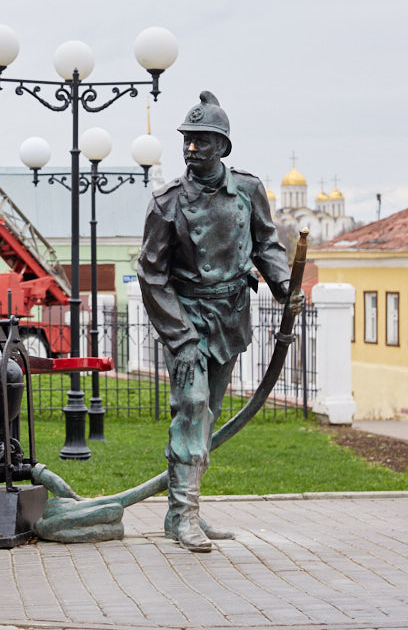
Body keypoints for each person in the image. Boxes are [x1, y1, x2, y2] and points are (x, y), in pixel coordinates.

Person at [137, 90, 300, 552]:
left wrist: (282, 285)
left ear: (223, 146)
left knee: (207, 413)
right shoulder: (167, 201)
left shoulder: (248, 190)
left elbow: (267, 243)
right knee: (191, 405)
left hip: (229, 317)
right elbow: (151, 274)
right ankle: (185, 513)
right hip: (186, 318)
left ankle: (181, 511)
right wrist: (181, 336)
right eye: (187, 140)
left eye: (202, 141)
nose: (191, 148)